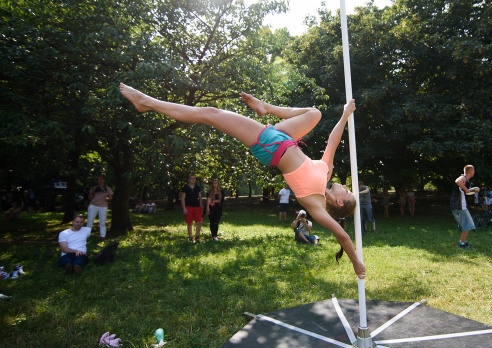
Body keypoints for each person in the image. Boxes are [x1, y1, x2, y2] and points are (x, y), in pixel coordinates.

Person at [119, 83, 365, 278]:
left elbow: (342, 236)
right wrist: (345, 114)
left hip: (270, 145)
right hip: (285, 137)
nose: (347, 187)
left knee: (210, 114)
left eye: (348, 192)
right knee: (315, 113)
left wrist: (356, 263)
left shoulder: (316, 205)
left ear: (341, 203)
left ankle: (146, 102)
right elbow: (333, 140)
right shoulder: (326, 171)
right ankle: (264, 107)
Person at [450, 165, 477, 249]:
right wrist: (466, 189)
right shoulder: (463, 177)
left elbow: (464, 192)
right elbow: (457, 181)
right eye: (474, 170)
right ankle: (462, 244)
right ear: (470, 171)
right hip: (460, 206)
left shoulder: (466, 180)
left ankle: (463, 242)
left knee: (467, 225)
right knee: (469, 224)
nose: (474, 172)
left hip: (460, 205)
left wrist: (473, 190)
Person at [86, 175, 113, 241]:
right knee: (90, 221)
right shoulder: (94, 188)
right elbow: (89, 197)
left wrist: (107, 198)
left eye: (102, 179)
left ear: (104, 180)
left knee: (102, 222)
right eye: (99, 179)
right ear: (97, 181)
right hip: (93, 205)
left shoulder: (107, 188)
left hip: (103, 206)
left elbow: (111, 198)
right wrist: (93, 191)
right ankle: (86, 236)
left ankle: (103, 236)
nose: (100, 181)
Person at [181, 174, 203, 242]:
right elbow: (182, 199)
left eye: (194, 178)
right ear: (188, 179)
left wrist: (201, 206)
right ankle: (190, 237)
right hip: (188, 207)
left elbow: (200, 197)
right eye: (191, 178)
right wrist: (184, 208)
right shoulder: (185, 188)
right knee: (189, 222)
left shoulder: (197, 188)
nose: (193, 180)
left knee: (199, 222)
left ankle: (197, 236)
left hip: (197, 207)